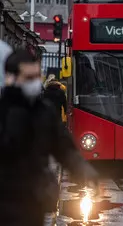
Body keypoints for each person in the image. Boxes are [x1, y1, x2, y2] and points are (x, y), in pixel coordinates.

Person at [0, 49, 98, 226]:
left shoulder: (44, 112)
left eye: (37, 76)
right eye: (28, 78)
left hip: (34, 202)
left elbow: (65, 148)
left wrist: (84, 170)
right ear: (10, 78)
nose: (34, 83)